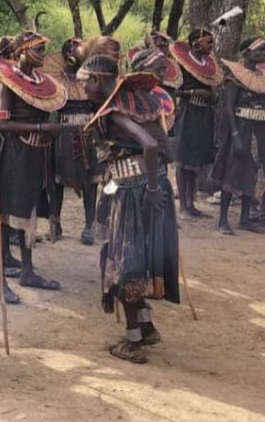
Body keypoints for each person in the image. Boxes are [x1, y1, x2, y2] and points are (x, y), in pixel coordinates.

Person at [79, 53, 179, 364]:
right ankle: (146, 326)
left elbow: (149, 145)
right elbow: (166, 150)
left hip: (135, 191)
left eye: (84, 82)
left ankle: (132, 341)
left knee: (125, 263)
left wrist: (145, 186)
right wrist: (156, 182)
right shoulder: (145, 101)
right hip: (157, 186)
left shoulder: (115, 110)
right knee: (144, 258)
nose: (82, 88)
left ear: (97, 80)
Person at [0, 30, 68, 290]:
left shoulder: (40, 81)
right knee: (6, 214)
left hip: (36, 155)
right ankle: (0, 281)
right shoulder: (7, 82)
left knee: (29, 212)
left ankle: (27, 271)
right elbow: (4, 124)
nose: (43, 55)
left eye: (44, 50)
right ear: (22, 52)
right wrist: (42, 129)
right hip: (14, 155)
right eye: (38, 50)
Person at [42, 38, 98, 245]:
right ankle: (55, 223)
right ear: (65, 56)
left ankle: (89, 226)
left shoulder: (92, 77)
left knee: (91, 180)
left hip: (90, 132)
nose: (76, 55)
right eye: (73, 51)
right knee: (57, 179)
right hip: (63, 133)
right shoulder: (55, 78)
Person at [211, 36, 265, 234]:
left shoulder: (262, 77)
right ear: (247, 53)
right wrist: (235, 134)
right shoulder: (235, 76)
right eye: (260, 51)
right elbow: (228, 107)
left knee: (252, 174)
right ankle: (223, 221)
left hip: (259, 130)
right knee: (233, 172)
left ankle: (245, 219)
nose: (263, 55)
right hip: (241, 128)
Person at [170, 29, 224, 217]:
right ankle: (183, 206)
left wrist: (211, 96)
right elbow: (173, 90)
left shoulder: (209, 66)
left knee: (195, 160)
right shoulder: (182, 65)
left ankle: (191, 203)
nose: (211, 46)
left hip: (203, 114)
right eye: (208, 42)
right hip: (187, 112)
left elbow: (213, 91)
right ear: (196, 43)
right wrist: (193, 93)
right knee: (183, 159)